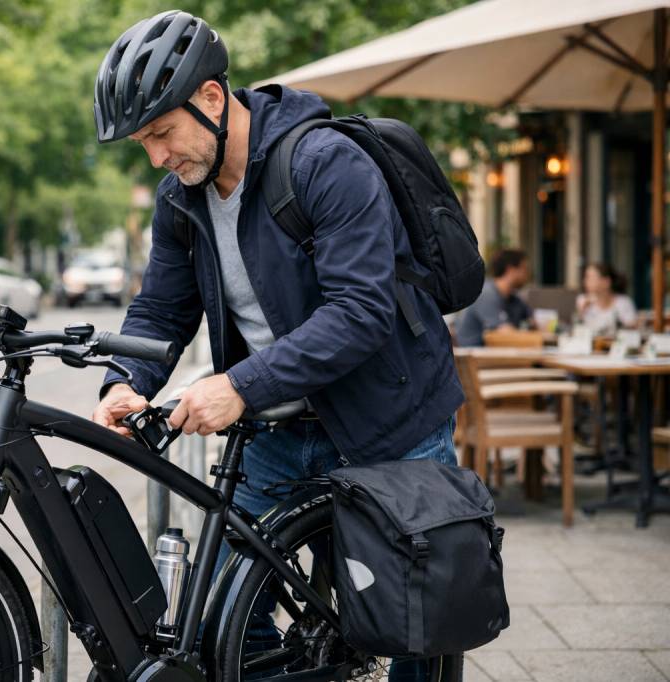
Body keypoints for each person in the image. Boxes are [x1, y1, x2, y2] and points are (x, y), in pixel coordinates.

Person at [90, 11, 464, 680]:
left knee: (413, 625)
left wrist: (236, 385)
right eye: (143, 143)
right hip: (278, 428)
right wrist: (127, 378)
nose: (156, 158)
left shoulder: (325, 162)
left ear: (210, 98)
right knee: (228, 616)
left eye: (161, 134)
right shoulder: (181, 198)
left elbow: (360, 310)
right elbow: (161, 306)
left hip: (390, 417)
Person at [454, 249, 532, 346]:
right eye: (524, 269)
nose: (528, 274)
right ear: (510, 270)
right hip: (474, 355)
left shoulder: (514, 299)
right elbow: (505, 333)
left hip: (497, 353)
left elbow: (533, 322)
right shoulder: (486, 294)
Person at [576, 262, 636, 335]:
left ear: (606, 282)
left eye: (590, 277)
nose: (585, 281)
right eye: (586, 277)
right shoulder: (583, 300)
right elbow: (578, 328)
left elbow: (631, 327)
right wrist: (582, 310)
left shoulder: (623, 302)